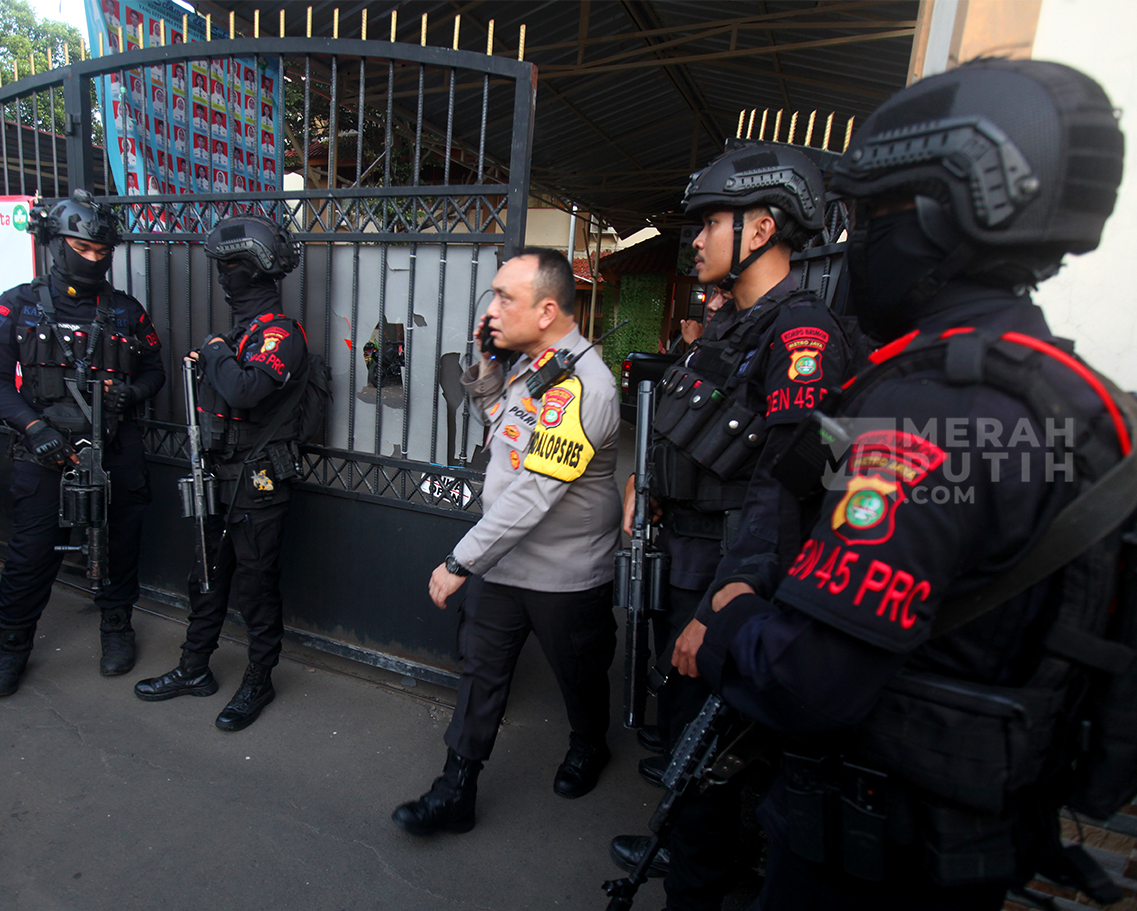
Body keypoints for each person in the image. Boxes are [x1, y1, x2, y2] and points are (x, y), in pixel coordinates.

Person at [672, 59, 1129, 910]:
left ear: (941, 214)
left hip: (872, 849)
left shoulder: (924, 410)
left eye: (872, 216)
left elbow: (806, 680)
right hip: (972, 834)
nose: (852, 244)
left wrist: (730, 617)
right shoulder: (1077, 396)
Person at [611, 144, 851, 909]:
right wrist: (646, 484)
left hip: (728, 577)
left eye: (713, 221)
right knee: (687, 736)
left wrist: (726, 601)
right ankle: (687, 849)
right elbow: (689, 428)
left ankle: (698, 882)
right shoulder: (731, 327)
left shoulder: (801, 336)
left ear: (763, 229)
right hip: (686, 560)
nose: (698, 238)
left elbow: (788, 489)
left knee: (712, 751)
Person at [391, 247, 622, 836]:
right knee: (481, 672)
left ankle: (589, 743)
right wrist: (489, 364)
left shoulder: (584, 385)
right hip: (504, 559)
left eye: (504, 298)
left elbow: (535, 492)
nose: (491, 309)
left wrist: (459, 561)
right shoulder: (532, 364)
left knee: (579, 673)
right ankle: (455, 791)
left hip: (563, 572)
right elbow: (502, 425)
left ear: (546, 311)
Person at [0, 190, 165, 697]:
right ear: (55, 244)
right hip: (45, 451)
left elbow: (155, 371)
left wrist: (132, 393)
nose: (94, 259)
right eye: (83, 249)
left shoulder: (126, 311)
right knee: (32, 552)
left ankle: (116, 628)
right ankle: (11, 646)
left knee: (120, 542)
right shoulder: (15, 305)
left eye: (102, 252)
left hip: (114, 445)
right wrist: (33, 429)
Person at [133, 214, 309, 733]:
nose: (223, 277)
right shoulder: (241, 333)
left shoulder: (279, 333)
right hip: (218, 477)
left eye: (228, 267)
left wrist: (212, 353)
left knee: (256, 587)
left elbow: (244, 390)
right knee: (206, 578)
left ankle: (259, 678)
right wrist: (214, 354)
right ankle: (194, 668)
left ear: (250, 271)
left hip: (258, 484)